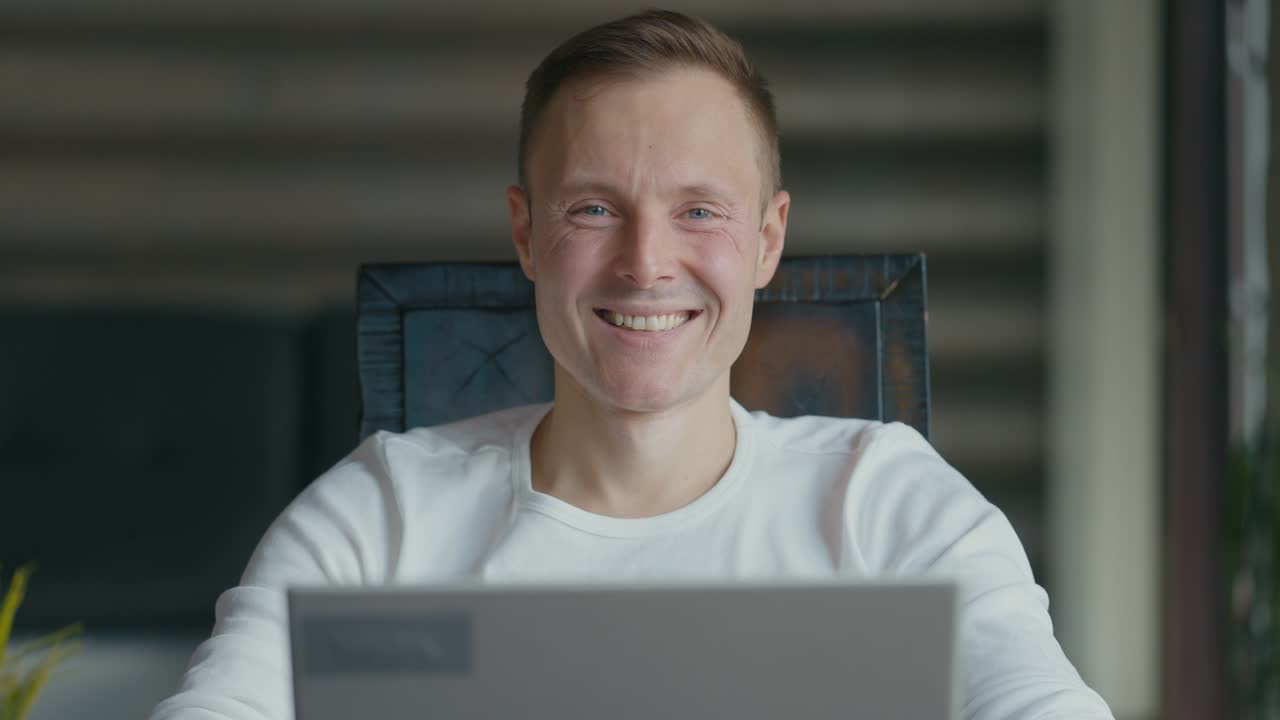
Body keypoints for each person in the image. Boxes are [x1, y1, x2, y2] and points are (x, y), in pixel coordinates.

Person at [151, 10, 1114, 720]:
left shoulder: (888, 502)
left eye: (700, 210)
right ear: (526, 234)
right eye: (594, 209)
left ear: (770, 240)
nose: (646, 261)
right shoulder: (381, 519)